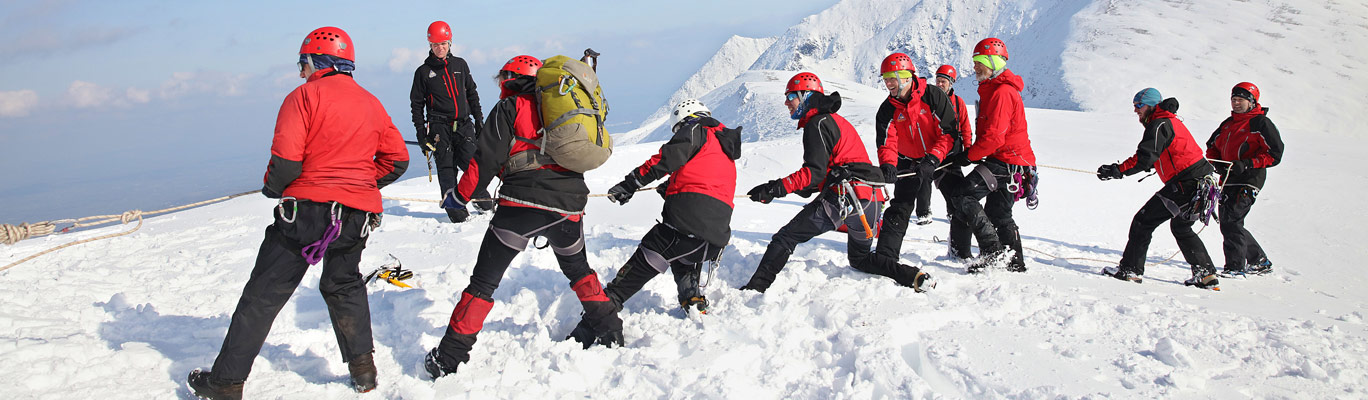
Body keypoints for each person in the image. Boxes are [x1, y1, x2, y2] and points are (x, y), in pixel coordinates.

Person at [187, 26, 409, 398]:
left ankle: (226, 384)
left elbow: (287, 163)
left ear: (315, 61)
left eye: (301, 64)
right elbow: (398, 160)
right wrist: (357, 186)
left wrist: (274, 189)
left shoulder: (302, 98)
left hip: (306, 213)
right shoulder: (371, 102)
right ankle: (364, 373)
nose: (300, 72)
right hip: (356, 217)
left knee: (264, 293)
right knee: (344, 284)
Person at [424, 55, 622, 379]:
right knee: (578, 269)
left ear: (510, 78)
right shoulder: (559, 108)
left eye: (502, 79)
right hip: (569, 206)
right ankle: (611, 329)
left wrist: (459, 196)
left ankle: (448, 357)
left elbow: (484, 161)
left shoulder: (511, 107)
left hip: (520, 206)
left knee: (483, 283)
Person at [740, 72, 932, 293]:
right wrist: (801, 188)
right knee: (860, 259)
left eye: (791, 96)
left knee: (785, 237)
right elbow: (828, 171)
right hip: (870, 202)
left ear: (805, 96)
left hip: (844, 198)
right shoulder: (834, 121)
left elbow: (813, 172)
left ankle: (755, 290)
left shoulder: (817, 123)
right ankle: (913, 276)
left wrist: (774, 188)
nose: (786, 102)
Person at [594, 99, 741, 316]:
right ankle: (693, 300)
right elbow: (703, 176)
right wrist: (672, 187)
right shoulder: (722, 141)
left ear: (684, 121)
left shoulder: (694, 130)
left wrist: (630, 184)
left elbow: (664, 160)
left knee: (658, 246)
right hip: (715, 237)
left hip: (690, 221)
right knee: (682, 250)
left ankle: (604, 308)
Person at [1096, 88, 1221, 290]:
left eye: (1139, 106)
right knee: (1181, 227)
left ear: (1152, 106)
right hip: (1201, 183)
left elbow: (1145, 157)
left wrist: (1117, 170)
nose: (1136, 110)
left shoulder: (1159, 122)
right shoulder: (1169, 121)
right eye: (1134, 106)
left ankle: (1131, 270)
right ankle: (1205, 275)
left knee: (1143, 221)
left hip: (1186, 184)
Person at [944, 38, 1037, 273]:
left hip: (1004, 162)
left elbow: (994, 137)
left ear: (993, 62)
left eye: (980, 62)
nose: (975, 67)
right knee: (999, 213)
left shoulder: (1001, 93)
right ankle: (1014, 262)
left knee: (962, 194)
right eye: (975, 62)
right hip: (1016, 164)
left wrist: (969, 156)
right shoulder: (996, 90)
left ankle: (993, 251)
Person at [871, 53, 965, 265]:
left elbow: (949, 133)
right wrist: (888, 164)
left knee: (960, 200)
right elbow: (887, 141)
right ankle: (885, 256)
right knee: (900, 206)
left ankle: (961, 254)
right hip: (908, 160)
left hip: (941, 157)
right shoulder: (888, 109)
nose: (888, 84)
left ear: (905, 77)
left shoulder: (933, 96)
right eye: (885, 79)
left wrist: (932, 159)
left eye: (892, 79)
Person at [409, 21, 489, 222]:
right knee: (446, 172)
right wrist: (421, 133)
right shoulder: (423, 72)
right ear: (430, 45)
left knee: (473, 167)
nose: (440, 48)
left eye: (443, 44)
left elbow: (472, 93)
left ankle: (486, 206)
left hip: (463, 125)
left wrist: (479, 120)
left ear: (450, 43)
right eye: (435, 44)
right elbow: (416, 105)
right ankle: (458, 217)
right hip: (439, 129)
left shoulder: (460, 65)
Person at [1205, 82, 1283, 276]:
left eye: (1241, 100)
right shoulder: (1228, 124)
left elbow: (1275, 154)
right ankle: (1259, 261)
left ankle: (1235, 267)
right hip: (1229, 178)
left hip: (1250, 177)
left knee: (1232, 221)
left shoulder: (1260, 123)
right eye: (1233, 99)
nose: (1236, 103)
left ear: (1252, 101)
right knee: (1229, 222)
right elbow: (1211, 145)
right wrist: (1218, 163)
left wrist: (1247, 163)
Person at [933, 64, 977, 259]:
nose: (940, 84)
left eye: (943, 81)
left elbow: (966, 128)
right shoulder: (930, 101)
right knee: (952, 194)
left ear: (951, 83)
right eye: (938, 80)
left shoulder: (959, 104)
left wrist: (968, 151)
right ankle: (958, 242)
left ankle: (957, 239)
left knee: (957, 197)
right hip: (937, 158)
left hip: (955, 157)